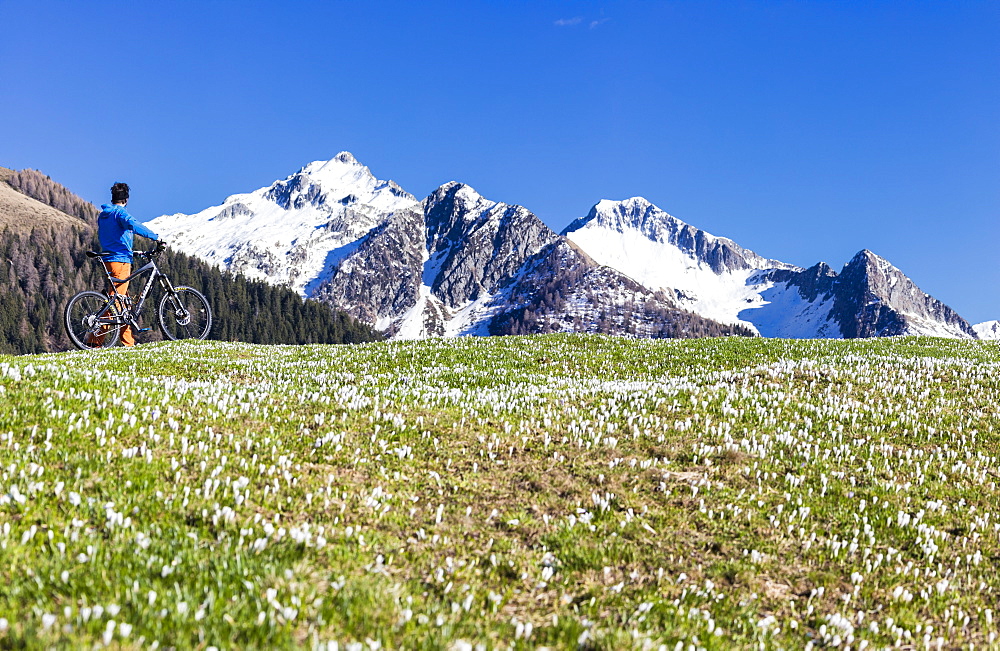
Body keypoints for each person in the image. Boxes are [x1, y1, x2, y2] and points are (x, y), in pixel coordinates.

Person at [96, 182, 164, 347]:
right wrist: (155, 237)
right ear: (126, 199)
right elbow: (133, 225)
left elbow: (114, 236)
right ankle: (94, 343)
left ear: (113, 198)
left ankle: (128, 343)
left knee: (123, 302)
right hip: (120, 260)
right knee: (115, 303)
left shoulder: (104, 215)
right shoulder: (120, 214)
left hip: (110, 258)